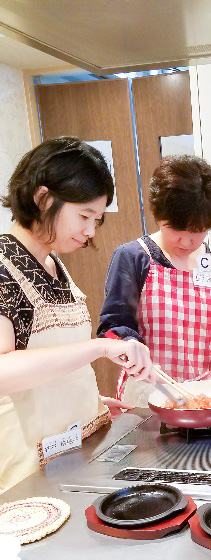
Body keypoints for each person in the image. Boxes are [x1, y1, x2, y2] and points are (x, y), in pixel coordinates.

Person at [0, 137, 155, 493]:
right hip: (25, 467)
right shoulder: (3, 267)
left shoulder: (54, 264)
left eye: (96, 219)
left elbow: (48, 362)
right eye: (84, 216)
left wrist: (85, 399)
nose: (89, 231)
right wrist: (98, 348)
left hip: (72, 447)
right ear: (43, 199)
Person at [98, 155, 211, 407]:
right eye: (175, 229)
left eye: (197, 231)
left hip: (209, 396)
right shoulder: (134, 258)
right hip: (149, 395)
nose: (186, 242)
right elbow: (114, 326)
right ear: (159, 215)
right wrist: (130, 346)